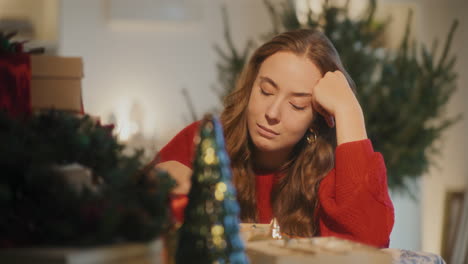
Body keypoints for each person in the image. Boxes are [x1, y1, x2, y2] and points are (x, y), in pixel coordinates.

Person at [156, 29, 394, 248]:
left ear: (316, 118)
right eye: (266, 91)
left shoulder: (330, 174)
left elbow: (368, 247)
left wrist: (348, 111)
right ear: (252, 85)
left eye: (297, 105)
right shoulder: (204, 141)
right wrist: (162, 181)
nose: (272, 113)